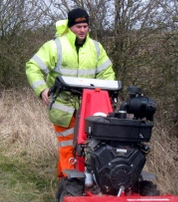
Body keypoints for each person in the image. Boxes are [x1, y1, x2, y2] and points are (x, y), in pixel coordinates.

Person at [26, 8, 115, 179]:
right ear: (70, 26)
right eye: (78, 26)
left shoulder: (96, 48)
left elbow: (107, 74)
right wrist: (42, 89)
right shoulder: (55, 46)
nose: (82, 30)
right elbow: (32, 66)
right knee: (68, 147)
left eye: (85, 26)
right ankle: (69, 186)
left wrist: (108, 92)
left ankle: (71, 181)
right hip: (63, 107)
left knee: (88, 148)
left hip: (89, 107)